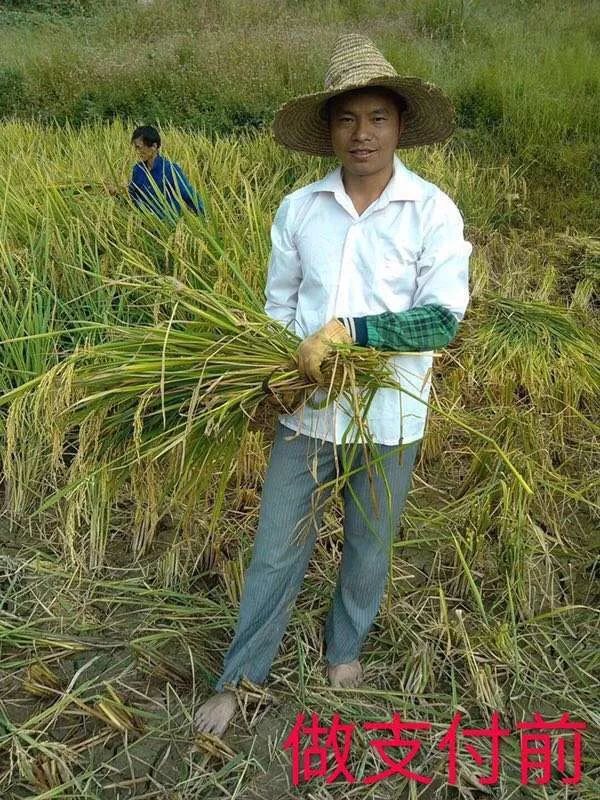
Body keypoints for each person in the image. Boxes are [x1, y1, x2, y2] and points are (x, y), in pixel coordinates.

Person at [195, 34, 471, 737]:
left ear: (400, 125)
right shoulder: (299, 210)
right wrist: (274, 369)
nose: (362, 133)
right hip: (307, 417)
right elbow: (279, 312)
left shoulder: (432, 211)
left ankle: (343, 652)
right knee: (275, 547)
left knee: (369, 544)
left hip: (389, 421)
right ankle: (240, 677)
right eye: (347, 119)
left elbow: (441, 318)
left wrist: (350, 331)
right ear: (328, 131)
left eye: (377, 117)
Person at [126, 125, 204, 220]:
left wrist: (205, 219)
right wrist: (119, 191)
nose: (137, 151)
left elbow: (189, 195)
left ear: (154, 146)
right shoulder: (137, 169)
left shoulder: (170, 170)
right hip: (144, 225)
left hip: (167, 227)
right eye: (136, 148)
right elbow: (133, 195)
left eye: (139, 147)